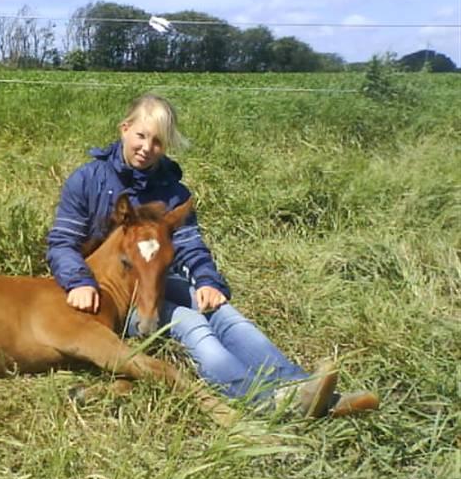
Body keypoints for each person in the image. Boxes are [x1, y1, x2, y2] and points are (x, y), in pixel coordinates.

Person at [46, 93, 379, 419]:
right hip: (113, 295)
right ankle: (266, 400)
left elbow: (190, 243)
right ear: (124, 128)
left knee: (222, 312)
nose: (147, 148)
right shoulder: (88, 179)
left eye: (158, 142)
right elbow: (62, 241)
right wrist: (79, 281)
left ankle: (299, 386)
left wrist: (207, 281)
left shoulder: (172, 191)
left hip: (158, 278)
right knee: (189, 322)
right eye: (141, 136)